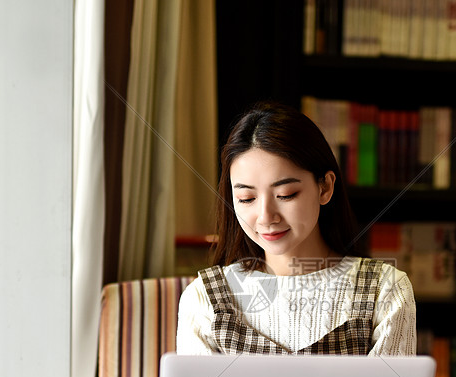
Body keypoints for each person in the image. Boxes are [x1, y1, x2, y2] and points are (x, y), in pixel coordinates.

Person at [176, 101, 417, 356]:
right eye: (247, 198)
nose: (266, 216)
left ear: (325, 187)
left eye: (286, 194)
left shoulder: (386, 290)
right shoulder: (203, 298)